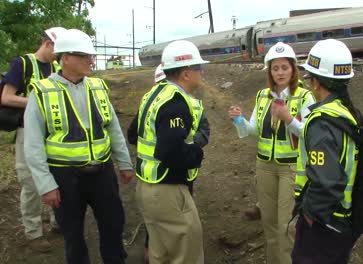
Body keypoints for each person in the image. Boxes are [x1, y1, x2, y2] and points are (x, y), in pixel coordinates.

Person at [23, 29, 134, 264]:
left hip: (102, 173)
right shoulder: (42, 92)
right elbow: (33, 146)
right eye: (84, 56)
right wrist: (46, 185)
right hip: (65, 178)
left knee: (114, 225)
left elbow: (113, 128)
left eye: (90, 55)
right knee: (73, 235)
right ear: (65, 58)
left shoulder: (98, 87)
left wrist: (124, 163)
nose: (90, 60)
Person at [228, 42, 315, 264]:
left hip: (291, 169)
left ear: (293, 69)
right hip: (264, 167)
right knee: (269, 224)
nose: (280, 73)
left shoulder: (304, 97)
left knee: (286, 226)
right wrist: (239, 120)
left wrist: (288, 119)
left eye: (284, 67)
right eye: (275, 68)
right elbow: (253, 130)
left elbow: (310, 133)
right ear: (270, 71)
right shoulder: (262, 96)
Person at [134, 40, 209, 264]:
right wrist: (197, 153)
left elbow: (133, 135)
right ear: (186, 74)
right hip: (168, 191)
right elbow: (170, 152)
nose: (202, 72)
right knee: (186, 255)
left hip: (149, 186)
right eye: (198, 68)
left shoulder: (155, 94)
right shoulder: (176, 103)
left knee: (161, 253)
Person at [291, 39, 362, 264]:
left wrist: (311, 216)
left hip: (326, 223)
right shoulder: (347, 113)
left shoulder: (322, 122)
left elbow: (326, 181)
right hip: (344, 218)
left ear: (315, 82)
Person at [1, 26, 66, 252]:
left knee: (56, 176)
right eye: (57, 50)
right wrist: (37, 102)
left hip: (54, 133)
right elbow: (6, 97)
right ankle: (33, 232)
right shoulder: (22, 64)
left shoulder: (57, 67)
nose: (59, 56)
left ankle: (57, 222)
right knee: (30, 183)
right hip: (27, 131)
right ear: (47, 44)